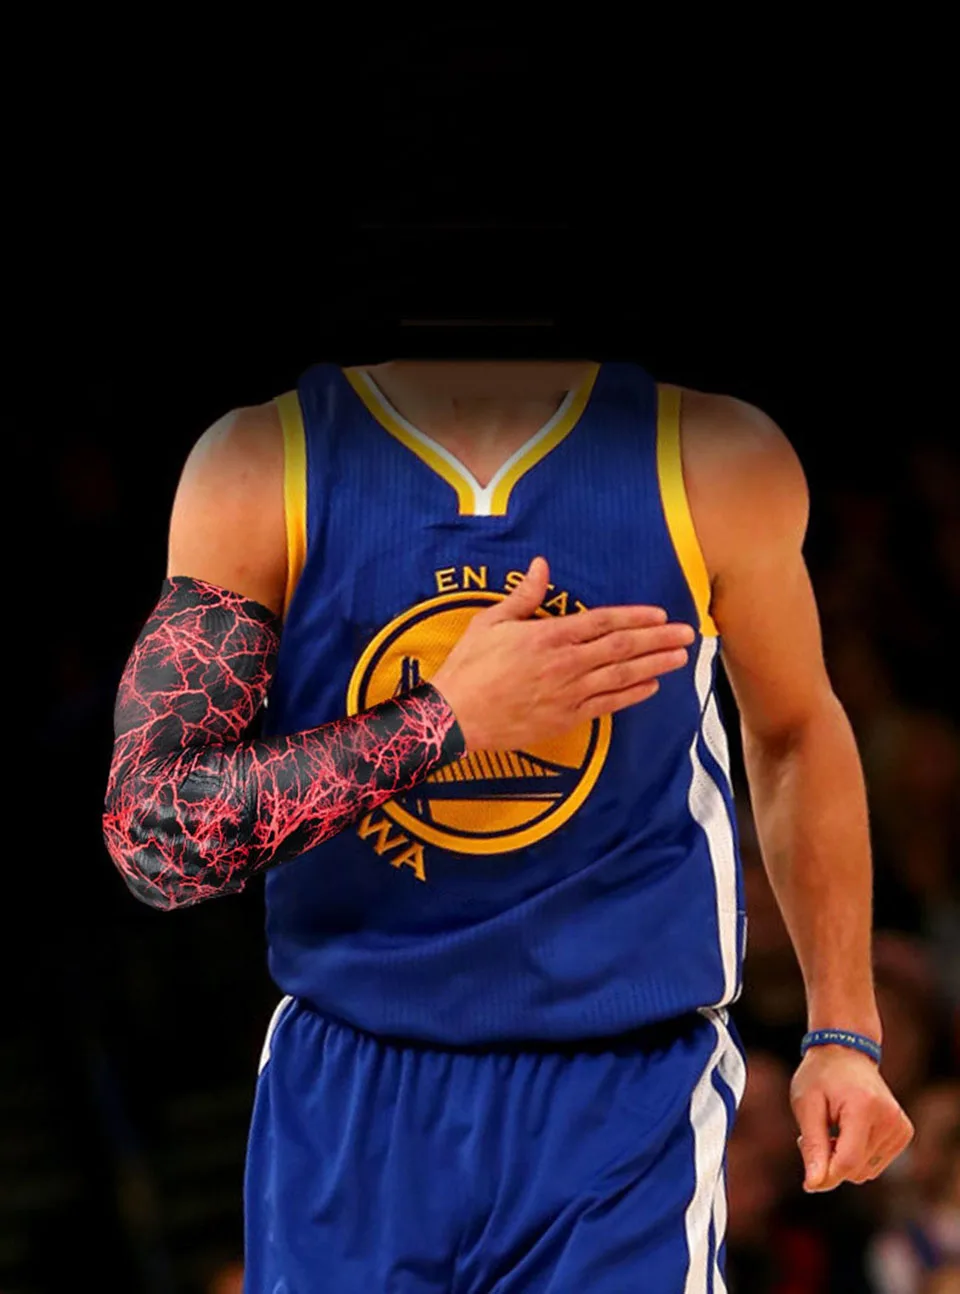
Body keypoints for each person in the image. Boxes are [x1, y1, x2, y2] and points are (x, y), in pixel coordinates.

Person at [103, 358, 914, 1291]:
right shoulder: (260, 462)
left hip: (622, 1085)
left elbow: (795, 728)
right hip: (350, 1079)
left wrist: (844, 1032)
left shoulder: (711, 453)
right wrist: (445, 721)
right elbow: (156, 835)